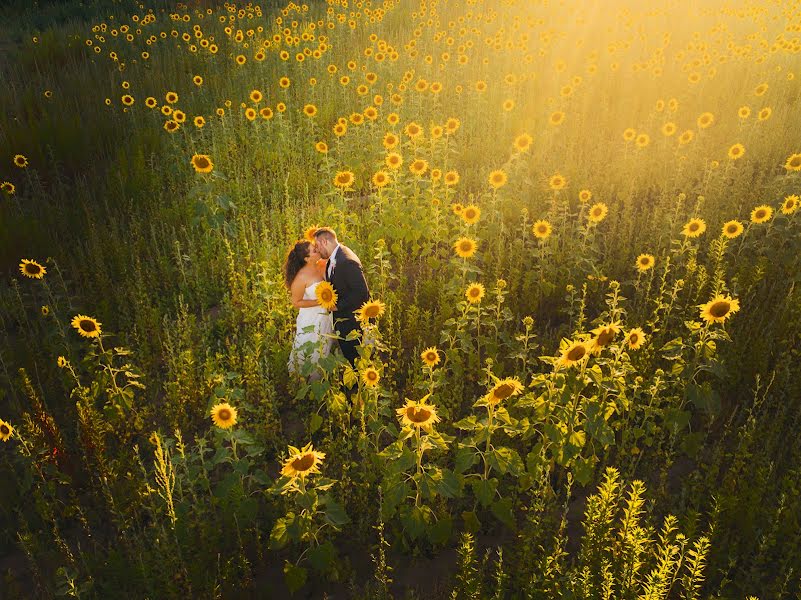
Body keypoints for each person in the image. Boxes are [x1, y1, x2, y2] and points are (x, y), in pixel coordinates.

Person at [312, 227, 370, 367]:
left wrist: (337, 306)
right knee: (350, 357)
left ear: (325, 241)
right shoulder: (335, 257)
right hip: (344, 320)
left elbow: (361, 292)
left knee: (356, 358)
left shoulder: (347, 261)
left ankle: (358, 387)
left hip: (353, 322)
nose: (317, 250)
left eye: (317, 245)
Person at [283, 239, 334, 379]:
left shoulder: (321, 265)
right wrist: (319, 302)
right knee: (309, 344)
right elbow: (296, 302)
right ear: (307, 259)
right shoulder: (301, 277)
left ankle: (320, 376)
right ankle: (301, 379)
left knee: (324, 345)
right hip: (310, 319)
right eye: (314, 250)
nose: (317, 250)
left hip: (325, 317)